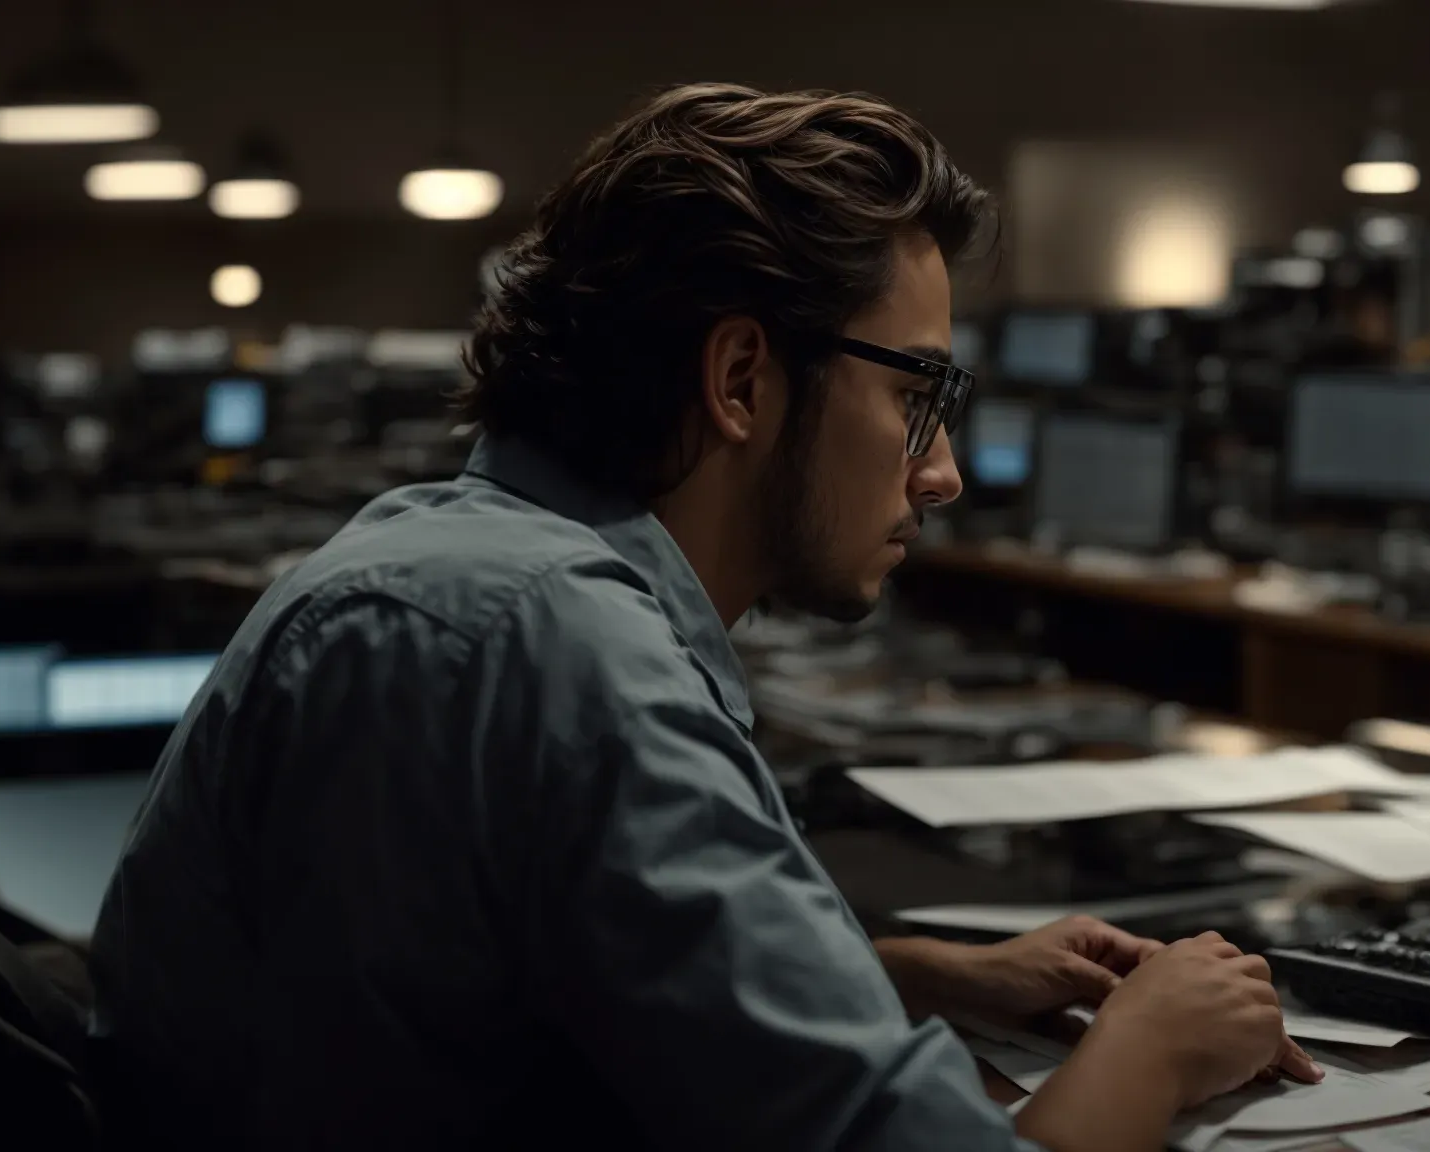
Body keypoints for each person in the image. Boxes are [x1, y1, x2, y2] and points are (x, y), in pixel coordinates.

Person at [89, 82, 1320, 1151]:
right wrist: (1152, 1047)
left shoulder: (440, 560)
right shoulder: (563, 647)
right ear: (740, 379)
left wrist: (908, 979)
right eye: (917, 395)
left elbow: (503, 998)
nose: (939, 472)